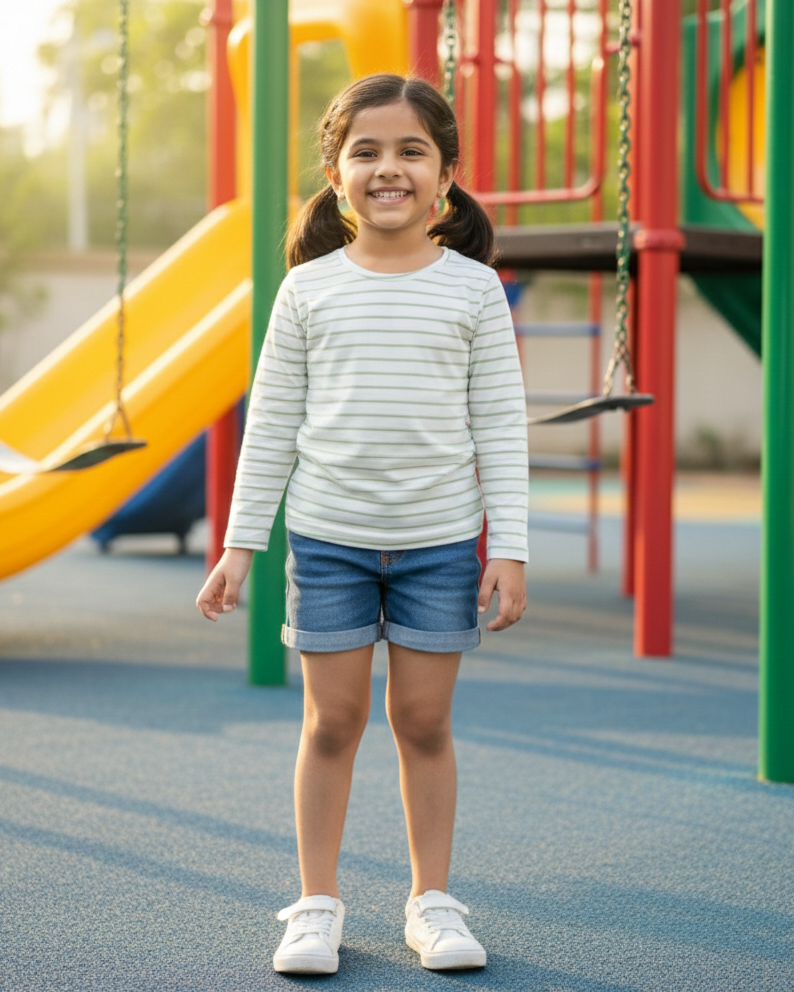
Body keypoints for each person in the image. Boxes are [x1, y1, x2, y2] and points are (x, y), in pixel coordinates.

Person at [196, 73, 528, 975]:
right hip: (331, 541)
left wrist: (512, 550)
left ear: (446, 176)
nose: (390, 168)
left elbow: (500, 424)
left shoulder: (474, 291)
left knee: (423, 722)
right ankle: (315, 906)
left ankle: (432, 902)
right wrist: (239, 545)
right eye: (367, 152)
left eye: (412, 151)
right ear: (337, 174)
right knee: (331, 724)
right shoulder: (307, 292)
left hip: (439, 545)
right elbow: (270, 424)